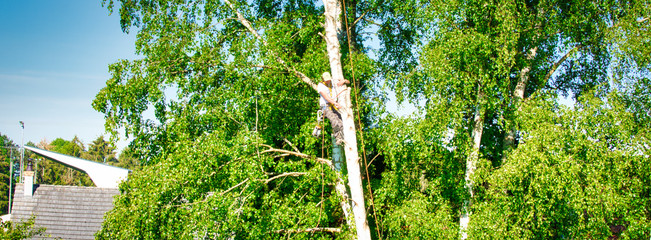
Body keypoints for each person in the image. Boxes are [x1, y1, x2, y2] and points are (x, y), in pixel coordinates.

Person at [317, 72, 348, 146]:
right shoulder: (320, 86)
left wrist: (344, 81)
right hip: (325, 106)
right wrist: (335, 103)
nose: (328, 81)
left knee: (340, 120)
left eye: (329, 80)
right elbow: (326, 97)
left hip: (333, 105)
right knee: (334, 121)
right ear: (323, 79)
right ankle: (338, 138)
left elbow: (344, 82)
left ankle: (344, 136)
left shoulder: (333, 82)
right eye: (326, 80)